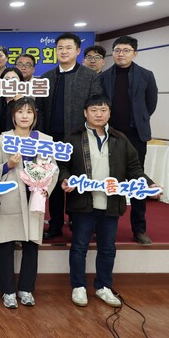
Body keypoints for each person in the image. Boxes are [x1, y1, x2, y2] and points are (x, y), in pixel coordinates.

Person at [59, 96, 160, 308]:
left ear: (109, 113)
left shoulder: (120, 138)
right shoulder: (73, 137)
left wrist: (148, 184)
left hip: (111, 203)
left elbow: (134, 168)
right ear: (85, 112)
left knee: (107, 248)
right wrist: (65, 179)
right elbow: (63, 166)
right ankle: (78, 286)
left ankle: (103, 286)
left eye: (103, 110)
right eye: (94, 110)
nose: (99, 114)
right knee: (79, 247)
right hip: (83, 203)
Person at [0, 98, 59, 309]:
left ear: (35, 116)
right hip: (10, 197)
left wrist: (46, 189)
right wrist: (8, 165)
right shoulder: (2, 140)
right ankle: (8, 291)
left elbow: (53, 169)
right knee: (7, 245)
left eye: (29, 112)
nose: (24, 116)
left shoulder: (44, 140)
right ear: (13, 116)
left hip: (34, 197)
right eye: (20, 112)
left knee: (32, 244)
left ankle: (26, 289)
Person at [39, 32, 103, 239]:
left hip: (79, 139)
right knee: (54, 181)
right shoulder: (47, 77)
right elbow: (40, 109)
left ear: (77, 51)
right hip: (51, 139)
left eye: (68, 48)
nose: (64, 51)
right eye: (60, 48)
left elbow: (94, 108)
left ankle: (77, 222)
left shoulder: (90, 77)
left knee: (77, 181)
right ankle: (55, 223)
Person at [100, 36, 158, 245]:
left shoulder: (146, 75)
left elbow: (150, 104)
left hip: (135, 136)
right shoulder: (104, 77)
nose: (120, 54)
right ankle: (103, 226)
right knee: (107, 179)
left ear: (135, 53)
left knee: (137, 180)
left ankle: (139, 228)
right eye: (117, 50)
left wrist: (137, 120)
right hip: (110, 134)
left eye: (125, 50)